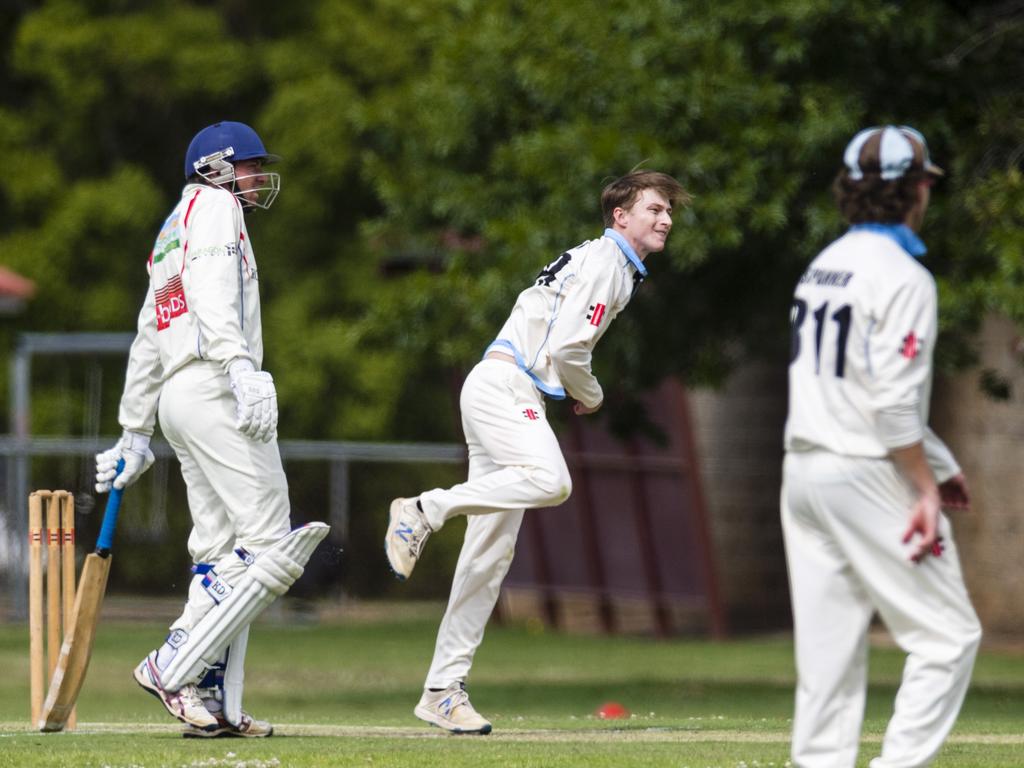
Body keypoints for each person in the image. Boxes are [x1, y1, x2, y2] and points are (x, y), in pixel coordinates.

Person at [384, 170, 691, 734]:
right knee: (552, 480)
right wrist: (590, 394)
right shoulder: (608, 263)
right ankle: (425, 508)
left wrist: (571, 384)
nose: (666, 219)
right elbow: (570, 347)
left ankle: (442, 690)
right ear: (620, 216)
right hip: (506, 386)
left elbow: (564, 341)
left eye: (670, 211)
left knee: (488, 557)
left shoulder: (609, 263)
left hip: (497, 385)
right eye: (654, 208)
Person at [95, 121, 328, 738]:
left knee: (222, 555)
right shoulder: (219, 206)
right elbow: (217, 291)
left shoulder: (173, 227)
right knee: (273, 544)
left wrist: (134, 431)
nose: (256, 178)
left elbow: (150, 331)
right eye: (250, 165)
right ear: (219, 167)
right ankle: (173, 661)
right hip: (213, 383)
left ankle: (213, 702)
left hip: (177, 395)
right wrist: (239, 365)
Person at [782, 125, 982, 767]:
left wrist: (940, 465)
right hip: (865, 470)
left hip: (804, 472)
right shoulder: (904, 276)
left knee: (828, 658)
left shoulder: (823, 265)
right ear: (919, 188)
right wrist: (925, 486)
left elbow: (854, 386)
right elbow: (891, 404)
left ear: (851, 189)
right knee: (949, 636)